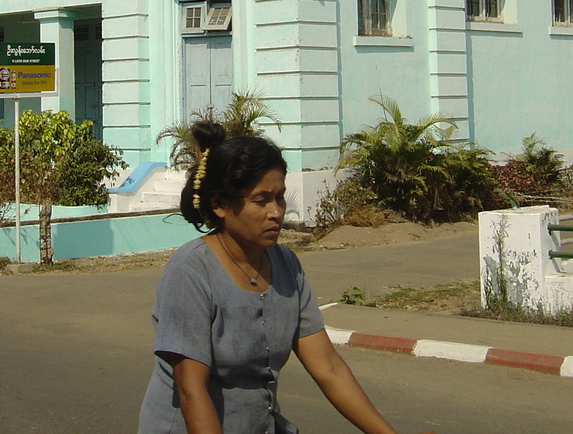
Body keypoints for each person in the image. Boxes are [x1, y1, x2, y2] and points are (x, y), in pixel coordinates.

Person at [137, 121, 401, 434]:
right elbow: (191, 390)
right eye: (261, 201)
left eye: (280, 197)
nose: (276, 212)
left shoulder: (287, 264)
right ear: (219, 205)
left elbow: (328, 368)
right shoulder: (191, 270)